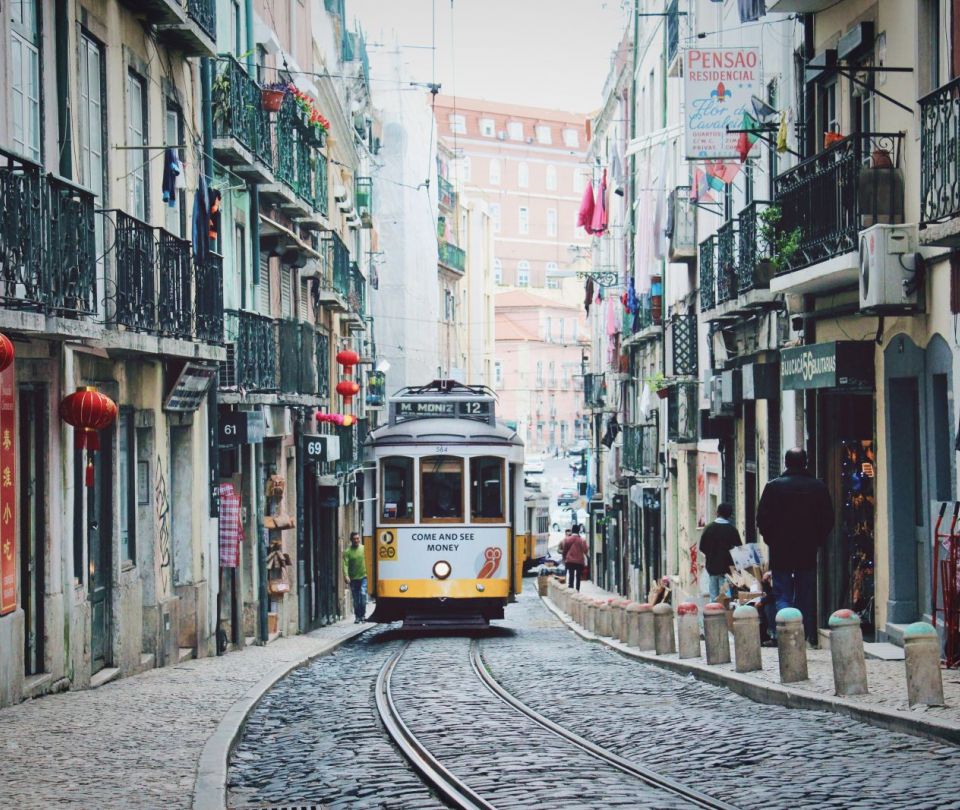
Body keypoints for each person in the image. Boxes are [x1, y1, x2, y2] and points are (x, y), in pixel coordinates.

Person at [756, 448, 834, 645]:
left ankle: (785, 634)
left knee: (782, 593)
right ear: (806, 462)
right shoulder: (818, 487)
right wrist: (817, 539)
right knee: (805, 594)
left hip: (781, 550)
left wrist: (771, 539)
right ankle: (802, 636)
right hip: (807, 549)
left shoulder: (773, 487)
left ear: (785, 462)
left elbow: (762, 519)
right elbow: (828, 519)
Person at [698, 503, 742, 602]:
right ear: (730, 515)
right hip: (727, 570)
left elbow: (702, 547)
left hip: (712, 568)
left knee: (713, 597)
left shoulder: (709, 528)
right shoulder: (732, 530)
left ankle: (713, 615)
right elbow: (739, 550)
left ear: (717, 512)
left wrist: (711, 554)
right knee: (725, 597)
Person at [342, 532, 367, 623]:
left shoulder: (364, 549)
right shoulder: (348, 552)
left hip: (364, 576)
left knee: (363, 595)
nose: (356, 540)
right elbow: (345, 564)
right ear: (351, 540)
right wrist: (346, 575)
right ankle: (357, 616)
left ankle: (363, 615)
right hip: (353, 578)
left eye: (358, 538)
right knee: (356, 598)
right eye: (354, 539)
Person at [560, 524, 589, 591]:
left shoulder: (567, 539)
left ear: (572, 531)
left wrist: (564, 558)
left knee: (571, 575)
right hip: (579, 561)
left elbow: (565, 550)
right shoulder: (582, 540)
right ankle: (577, 590)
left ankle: (571, 590)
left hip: (570, 561)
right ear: (579, 531)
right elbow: (585, 550)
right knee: (578, 577)